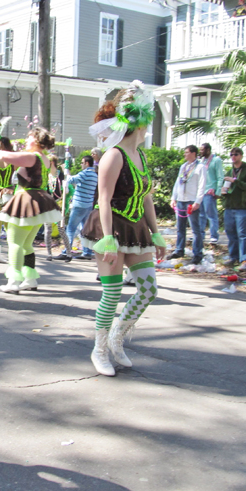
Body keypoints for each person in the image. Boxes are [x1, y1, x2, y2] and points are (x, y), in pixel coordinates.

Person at [80, 82, 166, 376]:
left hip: (136, 227)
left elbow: (147, 198)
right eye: (147, 121)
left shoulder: (140, 157)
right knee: (112, 293)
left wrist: (155, 233)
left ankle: (118, 336)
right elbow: (103, 199)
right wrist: (107, 240)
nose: (149, 127)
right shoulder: (113, 155)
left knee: (148, 289)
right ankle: (99, 349)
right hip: (111, 226)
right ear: (139, 123)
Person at [0, 128, 61, 292]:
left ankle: (13, 282)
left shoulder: (33, 156)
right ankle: (30, 279)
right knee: (26, 245)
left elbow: (5, 156)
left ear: (37, 140)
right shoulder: (45, 158)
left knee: (14, 243)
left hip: (27, 200)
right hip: (40, 202)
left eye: (29, 137)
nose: (26, 140)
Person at [168, 145, 207, 264]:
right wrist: (173, 198)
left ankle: (197, 253)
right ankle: (179, 250)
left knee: (195, 229)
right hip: (181, 200)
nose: (185, 154)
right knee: (180, 227)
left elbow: (202, 185)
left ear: (193, 153)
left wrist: (198, 201)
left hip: (191, 200)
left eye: (187, 152)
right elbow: (177, 183)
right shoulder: (183, 167)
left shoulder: (200, 167)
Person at [56, 155, 98, 261]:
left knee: (70, 228)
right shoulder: (94, 175)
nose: (81, 164)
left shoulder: (85, 173)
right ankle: (87, 251)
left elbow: (70, 180)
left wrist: (66, 170)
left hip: (79, 204)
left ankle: (66, 251)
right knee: (84, 229)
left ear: (87, 163)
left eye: (82, 162)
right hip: (88, 205)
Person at [222, 147, 246, 271]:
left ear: (241, 155)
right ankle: (233, 256)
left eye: (236, 154)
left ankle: (245, 259)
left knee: (242, 233)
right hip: (229, 206)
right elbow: (224, 185)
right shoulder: (229, 171)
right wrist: (223, 190)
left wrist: (236, 181)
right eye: (231, 154)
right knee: (230, 233)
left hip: (242, 207)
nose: (233, 157)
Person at [199, 142, 224, 244]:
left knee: (211, 215)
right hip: (201, 191)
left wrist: (218, 191)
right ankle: (200, 235)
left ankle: (214, 236)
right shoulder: (201, 161)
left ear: (208, 150)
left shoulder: (216, 160)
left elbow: (220, 176)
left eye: (202, 150)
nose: (200, 151)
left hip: (210, 191)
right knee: (200, 215)